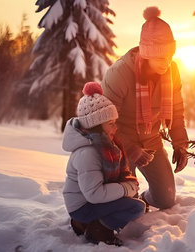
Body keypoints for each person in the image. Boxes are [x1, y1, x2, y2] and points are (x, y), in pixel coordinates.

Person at [101, 6, 189, 210]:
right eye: (160, 57)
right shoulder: (120, 73)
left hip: (151, 139)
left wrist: (180, 143)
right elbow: (106, 122)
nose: (166, 63)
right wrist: (130, 148)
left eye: (169, 56)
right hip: (119, 144)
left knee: (166, 199)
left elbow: (176, 109)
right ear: (147, 53)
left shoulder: (172, 71)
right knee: (121, 202)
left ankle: (141, 200)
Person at [62, 82, 145, 246]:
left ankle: (84, 223)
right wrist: (125, 188)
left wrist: (126, 187)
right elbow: (94, 194)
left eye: (115, 122)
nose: (115, 128)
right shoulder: (88, 153)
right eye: (111, 123)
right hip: (82, 206)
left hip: (88, 201)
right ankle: (98, 229)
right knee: (135, 208)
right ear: (97, 126)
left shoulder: (102, 144)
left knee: (131, 202)